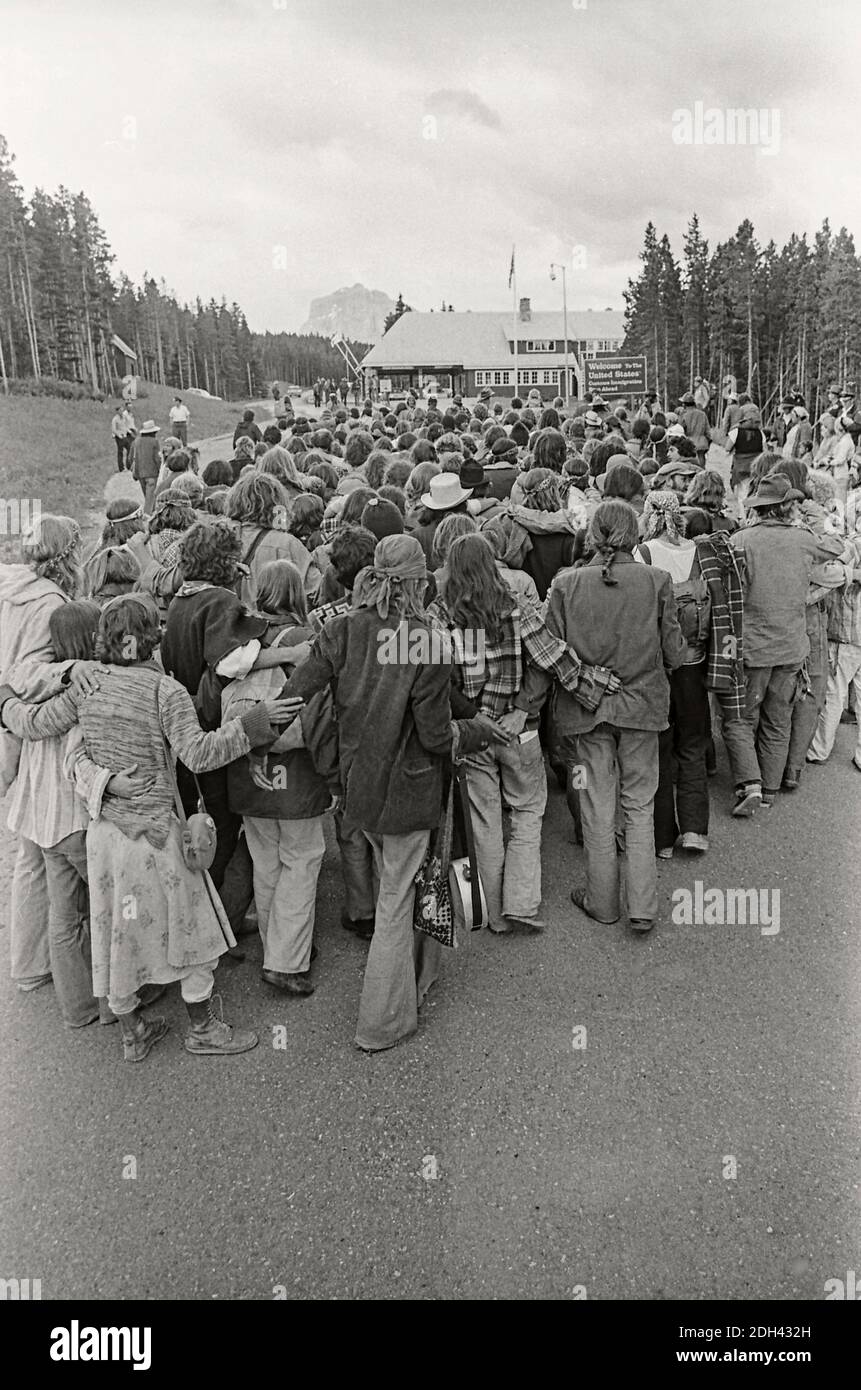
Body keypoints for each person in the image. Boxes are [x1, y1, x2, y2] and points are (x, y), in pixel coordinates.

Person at [0, 593, 299, 1062]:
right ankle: (201, 1028)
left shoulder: (87, 686)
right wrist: (254, 723)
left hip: (104, 837)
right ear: (150, 639)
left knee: (117, 933)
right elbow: (200, 753)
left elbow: (36, 724)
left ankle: (133, 1029)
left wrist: (5, 704)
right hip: (157, 833)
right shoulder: (165, 691)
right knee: (193, 927)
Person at [280, 534, 499, 1052]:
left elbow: (294, 696)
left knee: (392, 888)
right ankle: (382, 1022)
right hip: (409, 792)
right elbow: (435, 734)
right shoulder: (426, 640)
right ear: (419, 582)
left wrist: (246, 732)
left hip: (359, 787)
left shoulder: (342, 629)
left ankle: (413, 985)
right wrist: (476, 732)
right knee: (400, 901)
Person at [430, 533, 619, 934]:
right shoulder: (516, 608)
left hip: (472, 734)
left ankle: (493, 912)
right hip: (520, 730)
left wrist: (472, 717)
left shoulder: (439, 616)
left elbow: (433, 678)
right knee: (528, 811)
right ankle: (522, 903)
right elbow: (554, 658)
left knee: (484, 822)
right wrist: (595, 681)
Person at [546, 500, 685, 932]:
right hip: (643, 712)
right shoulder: (657, 581)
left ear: (593, 534)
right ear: (634, 533)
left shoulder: (566, 584)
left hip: (586, 715)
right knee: (640, 807)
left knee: (595, 806)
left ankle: (602, 903)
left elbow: (549, 654)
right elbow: (675, 655)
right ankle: (642, 908)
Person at [729, 475, 844, 808]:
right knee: (778, 719)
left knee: (746, 717)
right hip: (792, 645)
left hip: (753, 646)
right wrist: (816, 514)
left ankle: (748, 783)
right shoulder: (804, 540)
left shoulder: (742, 539)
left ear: (761, 508)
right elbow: (837, 546)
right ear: (788, 507)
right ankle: (769, 789)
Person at [634, 492, 711, 855]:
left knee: (661, 748)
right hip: (694, 664)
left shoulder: (645, 553)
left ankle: (663, 837)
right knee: (693, 743)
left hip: (660, 666)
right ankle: (695, 829)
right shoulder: (698, 552)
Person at [130, 420, 162, 514]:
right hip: (152, 473)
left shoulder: (136, 442)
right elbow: (157, 458)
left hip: (139, 473)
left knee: (147, 496)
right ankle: (148, 516)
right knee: (150, 497)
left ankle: (151, 512)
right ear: (153, 432)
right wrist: (160, 469)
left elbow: (130, 457)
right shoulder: (154, 442)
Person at [678, 392, 711, 468]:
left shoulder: (683, 415)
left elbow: (680, 430)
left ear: (684, 404)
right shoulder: (702, 414)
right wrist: (708, 442)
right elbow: (708, 431)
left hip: (688, 443)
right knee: (701, 463)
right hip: (701, 443)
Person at [111, 401, 135, 471]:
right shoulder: (115, 419)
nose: (122, 412)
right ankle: (121, 467)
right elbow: (114, 429)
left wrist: (130, 432)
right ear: (117, 411)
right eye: (120, 410)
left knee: (129, 449)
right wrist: (119, 435)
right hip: (119, 437)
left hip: (125, 436)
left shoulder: (124, 417)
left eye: (122, 410)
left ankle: (129, 464)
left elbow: (126, 426)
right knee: (120, 452)